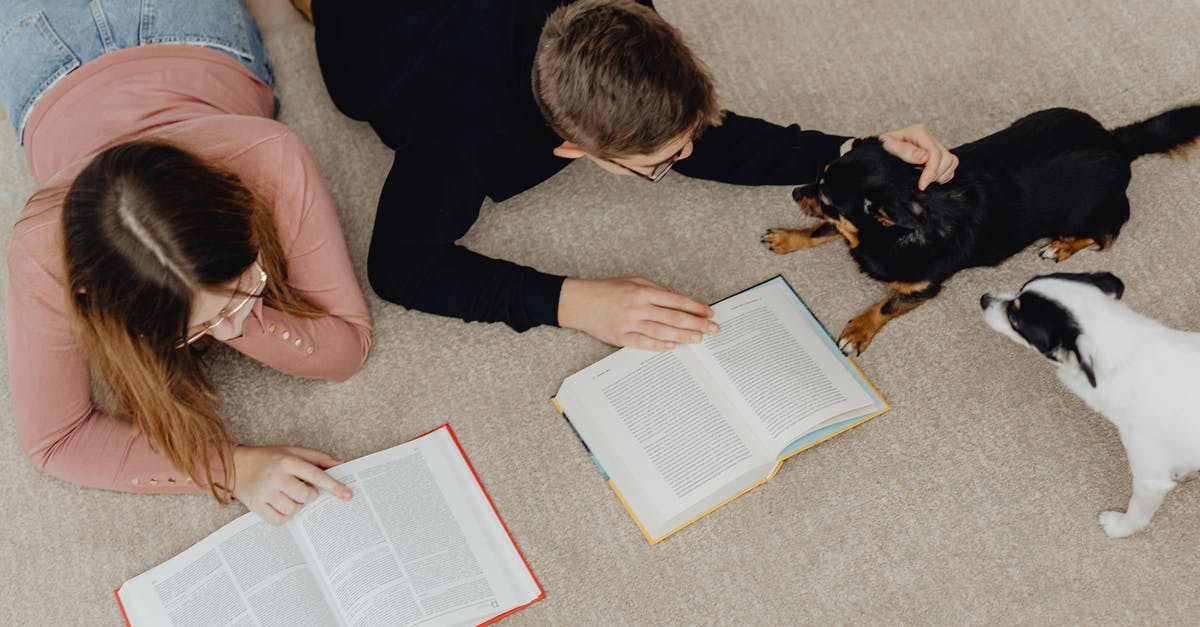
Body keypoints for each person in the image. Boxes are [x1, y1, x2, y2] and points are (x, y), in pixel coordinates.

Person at [298, 0, 958, 351]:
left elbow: (703, 139)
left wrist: (851, 151)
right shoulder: (460, 140)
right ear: (571, 151)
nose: (683, 157)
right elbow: (399, 268)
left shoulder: (623, 10)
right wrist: (571, 300)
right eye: (655, 168)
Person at [3, 0, 372, 524]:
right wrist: (233, 468)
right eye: (195, 330)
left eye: (245, 287)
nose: (226, 328)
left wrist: (236, 317)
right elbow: (55, 441)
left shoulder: (268, 157)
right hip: (45, 51)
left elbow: (347, 350)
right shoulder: (43, 255)